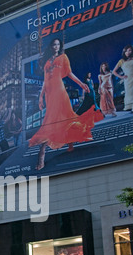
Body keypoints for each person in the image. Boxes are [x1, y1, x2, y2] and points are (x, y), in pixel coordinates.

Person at [29, 38, 103, 170]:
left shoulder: (63, 57)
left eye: (58, 44)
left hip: (59, 91)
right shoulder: (47, 61)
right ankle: (70, 144)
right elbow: (45, 81)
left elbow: (69, 73)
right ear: (51, 46)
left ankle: (42, 154)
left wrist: (81, 83)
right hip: (49, 94)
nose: (56, 46)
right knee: (56, 119)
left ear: (60, 46)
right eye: (54, 44)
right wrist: (41, 97)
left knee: (57, 119)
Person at [112, 45, 133, 122]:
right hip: (128, 81)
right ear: (124, 52)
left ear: (131, 51)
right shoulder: (121, 61)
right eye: (126, 51)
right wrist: (121, 77)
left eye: (129, 50)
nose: (128, 52)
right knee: (132, 96)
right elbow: (114, 72)